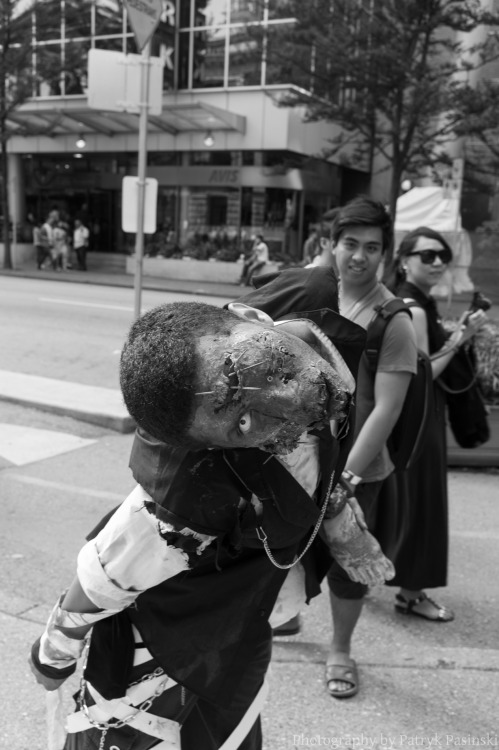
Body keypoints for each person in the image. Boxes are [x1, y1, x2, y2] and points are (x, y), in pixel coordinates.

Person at [29, 300, 395, 750]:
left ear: (256, 318)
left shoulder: (313, 344)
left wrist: (341, 523)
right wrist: (53, 658)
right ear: (214, 448)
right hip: (168, 653)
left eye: (263, 370)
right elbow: (100, 579)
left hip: (247, 621)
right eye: (243, 421)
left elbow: (315, 467)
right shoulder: (183, 501)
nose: (287, 401)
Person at [384, 226, 488, 622]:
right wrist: (463, 337)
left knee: (403, 507)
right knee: (423, 508)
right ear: (405, 259)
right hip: (421, 419)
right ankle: (411, 594)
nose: (438, 262)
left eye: (442, 256)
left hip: (408, 417)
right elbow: (425, 370)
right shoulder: (415, 307)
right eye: (427, 256)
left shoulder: (406, 299)